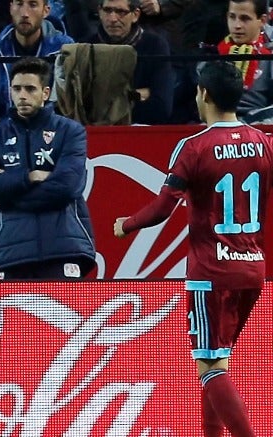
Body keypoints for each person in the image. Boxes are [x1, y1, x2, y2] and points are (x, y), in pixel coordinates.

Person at [114, 60, 267, 437]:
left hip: (210, 273)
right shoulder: (264, 142)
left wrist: (126, 224)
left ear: (204, 94)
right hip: (252, 268)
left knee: (209, 366)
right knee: (217, 360)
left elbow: (163, 208)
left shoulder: (195, 146)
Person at [0, 57, 95, 280]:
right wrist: (30, 177)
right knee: (16, 317)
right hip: (13, 253)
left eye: (30, 89)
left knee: (64, 317)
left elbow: (67, 187)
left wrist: (9, 193)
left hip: (64, 248)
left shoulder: (70, 131)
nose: (22, 95)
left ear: (46, 93)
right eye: (16, 88)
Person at [0, 0, 74, 127]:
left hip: (51, 134)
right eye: (19, 4)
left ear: (46, 11)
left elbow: (71, 105)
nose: (25, 13)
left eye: (33, 5)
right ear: (11, 8)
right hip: (6, 133)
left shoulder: (65, 48)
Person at [87, 0, 175, 125]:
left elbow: (161, 108)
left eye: (121, 12)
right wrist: (134, 95)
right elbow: (82, 109)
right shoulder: (86, 46)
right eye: (107, 10)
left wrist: (107, 101)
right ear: (99, 12)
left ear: (135, 15)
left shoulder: (155, 46)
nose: (112, 18)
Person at [213, 0, 273, 122]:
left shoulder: (270, 57)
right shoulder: (213, 54)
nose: (237, 25)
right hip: (217, 125)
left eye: (245, 19)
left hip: (259, 127)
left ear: (262, 21)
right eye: (232, 17)